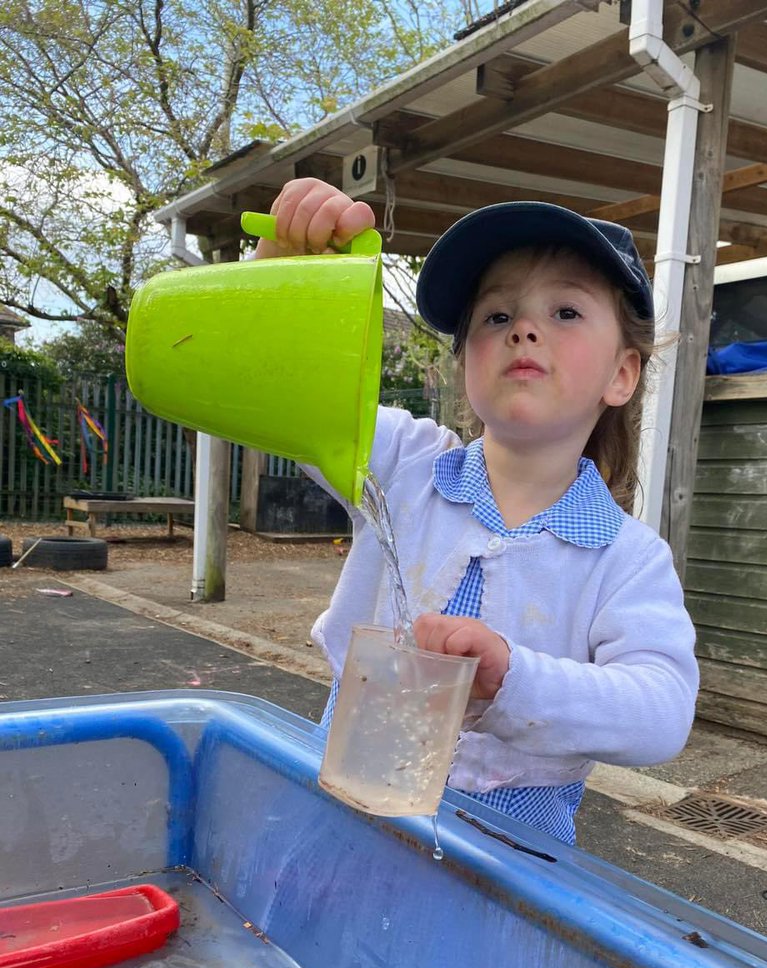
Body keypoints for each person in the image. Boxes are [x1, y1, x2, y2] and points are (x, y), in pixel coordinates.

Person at [256, 178, 699, 845]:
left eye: (566, 313)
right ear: (466, 364)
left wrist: (512, 681)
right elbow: (281, 391)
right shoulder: (401, 463)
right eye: (496, 316)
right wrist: (283, 278)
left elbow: (662, 710)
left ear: (622, 375)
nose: (524, 328)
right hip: (344, 797)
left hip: (514, 847)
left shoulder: (626, 557)